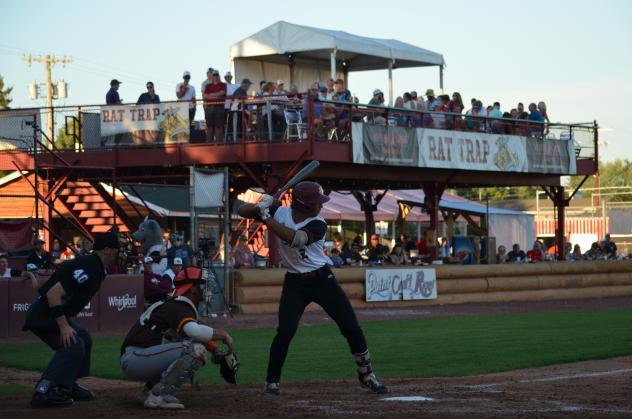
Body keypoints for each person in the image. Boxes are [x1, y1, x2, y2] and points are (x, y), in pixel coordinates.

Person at [237, 181, 389, 396]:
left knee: (351, 327)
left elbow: (294, 239)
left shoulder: (319, 224)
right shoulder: (277, 211)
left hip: (322, 280)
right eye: (317, 202)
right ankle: (272, 382)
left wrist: (265, 217)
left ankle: (367, 375)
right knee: (286, 331)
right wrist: (260, 205)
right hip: (295, 283)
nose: (321, 205)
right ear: (304, 204)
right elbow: (240, 210)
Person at [23, 232, 120, 408]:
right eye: (116, 249)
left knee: (84, 337)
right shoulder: (90, 265)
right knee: (74, 344)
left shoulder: (95, 266)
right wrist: (63, 326)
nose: (119, 253)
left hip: (48, 311)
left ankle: (67, 385)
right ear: (107, 250)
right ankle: (43, 391)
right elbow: (53, 293)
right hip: (43, 313)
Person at [120, 267, 237, 409]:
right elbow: (194, 331)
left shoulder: (177, 305)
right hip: (136, 357)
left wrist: (216, 349)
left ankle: (149, 392)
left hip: (139, 357)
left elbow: (196, 331)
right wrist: (224, 334)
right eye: (203, 284)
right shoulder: (179, 306)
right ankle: (159, 396)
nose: (206, 288)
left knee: (189, 346)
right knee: (195, 350)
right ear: (192, 289)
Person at [203, 69, 227, 142]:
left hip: (219, 107)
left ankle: (218, 143)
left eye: (216, 75)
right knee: (209, 127)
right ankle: (208, 144)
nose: (215, 77)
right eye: (214, 75)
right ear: (212, 76)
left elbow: (222, 93)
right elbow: (205, 96)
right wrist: (216, 95)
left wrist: (211, 95)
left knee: (218, 126)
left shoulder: (223, 85)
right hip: (210, 108)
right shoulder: (208, 86)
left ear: (219, 76)